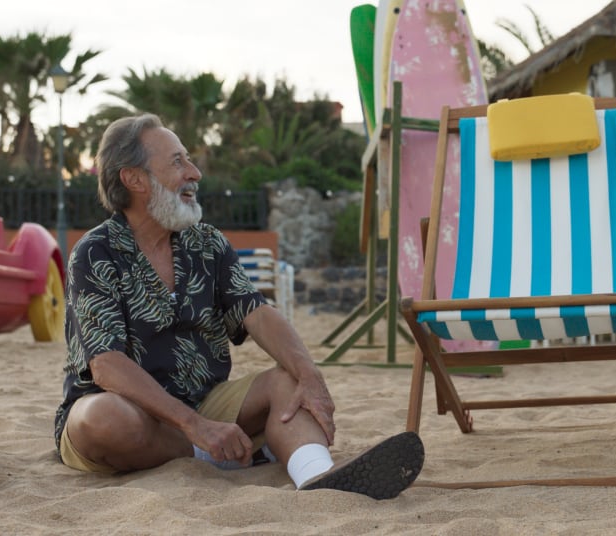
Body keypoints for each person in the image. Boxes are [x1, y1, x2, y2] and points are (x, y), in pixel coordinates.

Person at [52, 114, 423, 500]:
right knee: (103, 420)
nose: (194, 172)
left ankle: (318, 476)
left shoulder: (207, 243)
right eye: (178, 161)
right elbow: (106, 365)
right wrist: (194, 426)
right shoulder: (95, 253)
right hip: (130, 411)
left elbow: (257, 313)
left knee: (288, 379)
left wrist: (310, 375)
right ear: (135, 179)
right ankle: (216, 451)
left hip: (208, 402)